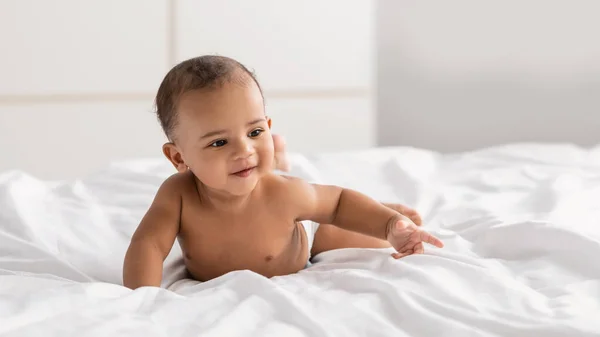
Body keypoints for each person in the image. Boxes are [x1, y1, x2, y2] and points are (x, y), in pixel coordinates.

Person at [122, 55, 443, 289]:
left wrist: (389, 226)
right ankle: (279, 155)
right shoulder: (178, 195)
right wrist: (142, 300)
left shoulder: (284, 193)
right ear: (178, 157)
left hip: (303, 240)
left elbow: (338, 203)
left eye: (255, 133)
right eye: (219, 142)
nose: (244, 150)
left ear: (267, 125)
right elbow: (148, 244)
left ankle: (387, 211)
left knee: (344, 230)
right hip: (267, 187)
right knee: (260, 167)